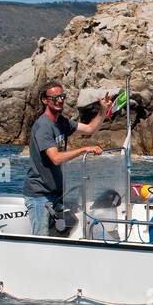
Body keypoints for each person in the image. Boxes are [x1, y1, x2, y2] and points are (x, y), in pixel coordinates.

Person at [23, 81, 108, 236]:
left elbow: (89, 129)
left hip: (56, 194)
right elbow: (55, 158)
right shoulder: (43, 126)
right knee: (42, 241)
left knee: (69, 228)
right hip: (39, 196)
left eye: (62, 96)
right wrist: (84, 149)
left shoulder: (61, 122)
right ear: (45, 100)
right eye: (55, 97)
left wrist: (103, 110)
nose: (60, 100)